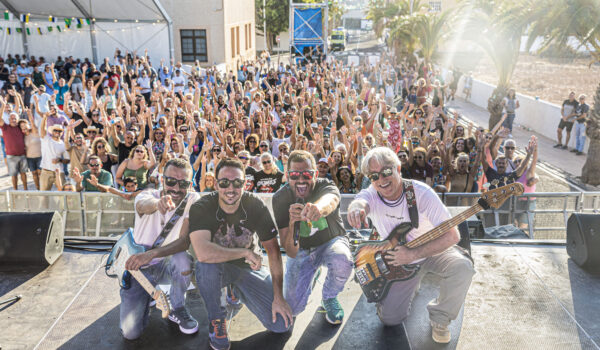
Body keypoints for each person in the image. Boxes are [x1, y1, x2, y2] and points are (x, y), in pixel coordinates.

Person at [347, 147, 474, 344]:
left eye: (387, 171)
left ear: (398, 168)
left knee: (463, 268)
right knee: (390, 320)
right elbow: (360, 202)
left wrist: (412, 254)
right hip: (398, 260)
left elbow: (452, 235)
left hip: (432, 250)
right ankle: (406, 288)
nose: (381, 180)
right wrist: (356, 210)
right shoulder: (372, 193)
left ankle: (440, 318)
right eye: (374, 176)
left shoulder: (421, 193)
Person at [188, 158, 292, 349]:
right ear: (217, 183)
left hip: (247, 268)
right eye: (224, 182)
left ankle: (235, 290)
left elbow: (274, 251)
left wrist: (278, 297)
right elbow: (202, 253)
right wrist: (244, 251)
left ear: (245, 183)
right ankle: (217, 320)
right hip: (214, 268)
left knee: (281, 325)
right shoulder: (202, 206)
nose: (231, 188)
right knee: (205, 266)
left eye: (237, 182)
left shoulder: (255, 205)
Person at [120, 158, 201, 339]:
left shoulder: (192, 199)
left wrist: (152, 254)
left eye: (184, 183)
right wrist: (158, 204)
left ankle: (178, 306)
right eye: (171, 181)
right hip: (139, 268)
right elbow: (143, 205)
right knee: (130, 333)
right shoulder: (146, 195)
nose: (176, 188)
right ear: (162, 179)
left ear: (190, 184)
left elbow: (184, 241)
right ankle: (143, 296)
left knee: (183, 260)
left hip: (165, 261)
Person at [273, 150, 352, 325]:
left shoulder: (326, 185)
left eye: (307, 174)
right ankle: (312, 273)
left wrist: (318, 208)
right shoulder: (280, 198)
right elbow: (291, 251)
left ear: (315, 174)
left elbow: (331, 199)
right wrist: (293, 223)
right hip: (302, 250)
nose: (301, 180)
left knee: (343, 260)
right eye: (294, 175)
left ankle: (329, 297)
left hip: (331, 242)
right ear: (287, 176)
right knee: (292, 309)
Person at [0, 97, 28, 190]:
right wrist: (3, 105)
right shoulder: (5, 127)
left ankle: (25, 190)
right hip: (11, 156)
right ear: (9, 119)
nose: (13, 120)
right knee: (14, 175)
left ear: (17, 119)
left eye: (15, 118)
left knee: (23, 174)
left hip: (22, 155)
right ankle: (15, 191)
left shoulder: (21, 127)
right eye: (11, 118)